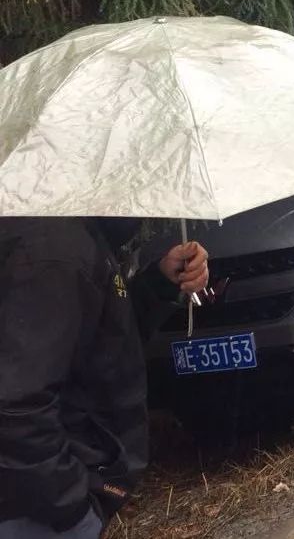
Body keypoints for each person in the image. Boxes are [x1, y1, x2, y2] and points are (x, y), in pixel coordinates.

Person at [0, 218, 209, 538]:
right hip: (37, 512)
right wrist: (71, 508)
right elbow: (17, 403)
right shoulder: (54, 253)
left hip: (44, 500)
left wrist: (159, 281)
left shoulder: (79, 239)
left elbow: (101, 347)